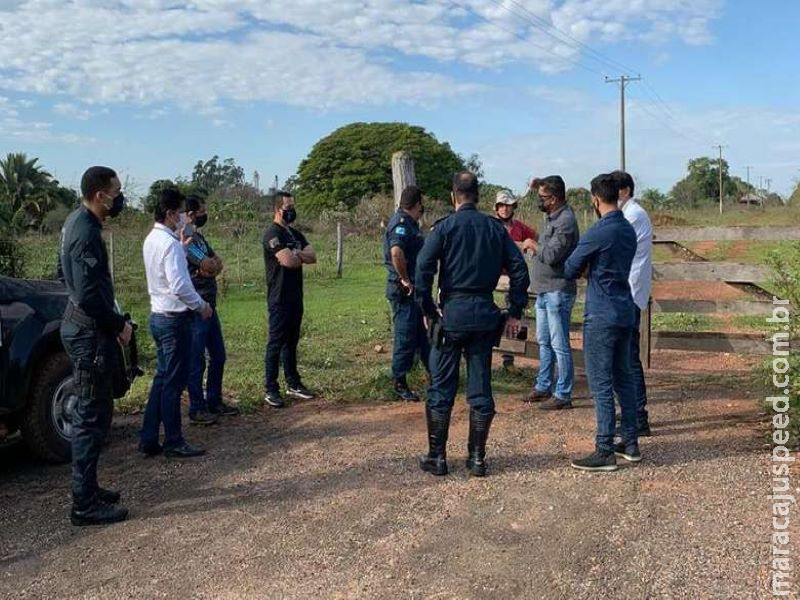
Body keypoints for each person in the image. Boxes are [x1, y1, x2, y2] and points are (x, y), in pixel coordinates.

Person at [415, 171, 529, 477]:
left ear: (454, 195)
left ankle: (437, 457)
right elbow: (520, 270)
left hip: (451, 314)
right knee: (480, 388)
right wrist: (514, 310)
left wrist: (427, 309)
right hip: (483, 314)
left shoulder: (443, 228)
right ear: (478, 196)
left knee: (441, 387)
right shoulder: (495, 229)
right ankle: (477, 458)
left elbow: (422, 271)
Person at [58, 166, 131, 526]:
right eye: (116, 191)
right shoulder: (85, 231)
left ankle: (90, 487)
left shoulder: (75, 221)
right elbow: (88, 294)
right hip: (89, 333)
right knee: (90, 416)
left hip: (84, 327)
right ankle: (83, 503)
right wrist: (118, 325)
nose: (120, 197)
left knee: (99, 411)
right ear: (100, 195)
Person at [563, 173, 638, 472]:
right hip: (624, 308)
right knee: (624, 377)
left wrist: (587, 268)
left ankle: (604, 448)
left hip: (602, 313)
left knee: (601, 382)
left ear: (595, 200)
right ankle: (630, 442)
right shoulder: (628, 229)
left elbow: (570, 267)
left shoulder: (599, 231)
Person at [141, 187, 213, 458]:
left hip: (158, 316)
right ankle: (173, 440)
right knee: (173, 384)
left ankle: (149, 437)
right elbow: (180, 286)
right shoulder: (170, 244)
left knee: (161, 379)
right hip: (174, 320)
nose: (186, 217)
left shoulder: (153, 239)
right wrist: (201, 305)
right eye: (182, 212)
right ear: (171, 214)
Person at [184, 194, 239, 424]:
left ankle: (214, 400)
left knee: (218, 355)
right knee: (197, 360)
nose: (204, 215)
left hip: (211, 306)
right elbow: (207, 264)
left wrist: (209, 267)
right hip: (197, 308)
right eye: (201, 211)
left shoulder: (199, 238)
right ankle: (197, 408)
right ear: (190, 214)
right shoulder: (186, 241)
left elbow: (217, 263)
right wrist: (206, 267)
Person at [526, 176, 580, 410]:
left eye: (543, 197)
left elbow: (551, 255)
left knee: (559, 344)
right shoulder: (552, 217)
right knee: (544, 341)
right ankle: (543, 385)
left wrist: (533, 245)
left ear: (554, 199)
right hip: (544, 290)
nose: (540, 200)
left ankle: (563, 393)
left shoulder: (565, 221)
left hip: (558, 290)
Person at [262, 191, 317, 408]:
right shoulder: (271, 234)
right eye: (288, 207)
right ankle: (270, 388)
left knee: (292, 342)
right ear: (277, 210)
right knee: (276, 343)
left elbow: (312, 256)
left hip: (296, 296)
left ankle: (293, 383)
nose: (291, 210)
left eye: (293, 206)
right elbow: (288, 261)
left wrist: (297, 254)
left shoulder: (294, 234)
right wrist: (297, 255)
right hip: (279, 297)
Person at [612, 171, 653, 436]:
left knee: (628, 357)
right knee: (627, 356)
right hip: (630, 289)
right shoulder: (633, 213)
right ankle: (633, 414)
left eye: (613, 190)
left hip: (630, 290)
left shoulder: (632, 215)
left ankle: (638, 417)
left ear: (625, 191)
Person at [384, 185, 430, 401]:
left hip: (414, 291)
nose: (423, 208)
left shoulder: (410, 223)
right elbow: (396, 252)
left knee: (422, 334)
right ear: (417, 203)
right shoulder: (401, 223)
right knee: (405, 336)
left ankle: (435, 376)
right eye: (421, 203)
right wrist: (405, 278)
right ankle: (399, 382)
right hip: (403, 290)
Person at [494, 189, 538, 369]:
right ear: (496, 207)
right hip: (492, 276)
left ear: (513, 207)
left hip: (514, 278)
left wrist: (528, 246)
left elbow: (535, 238)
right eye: (501, 205)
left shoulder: (519, 227)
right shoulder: (490, 225)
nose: (505, 209)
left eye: (508, 205)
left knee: (515, 313)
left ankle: (509, 357)